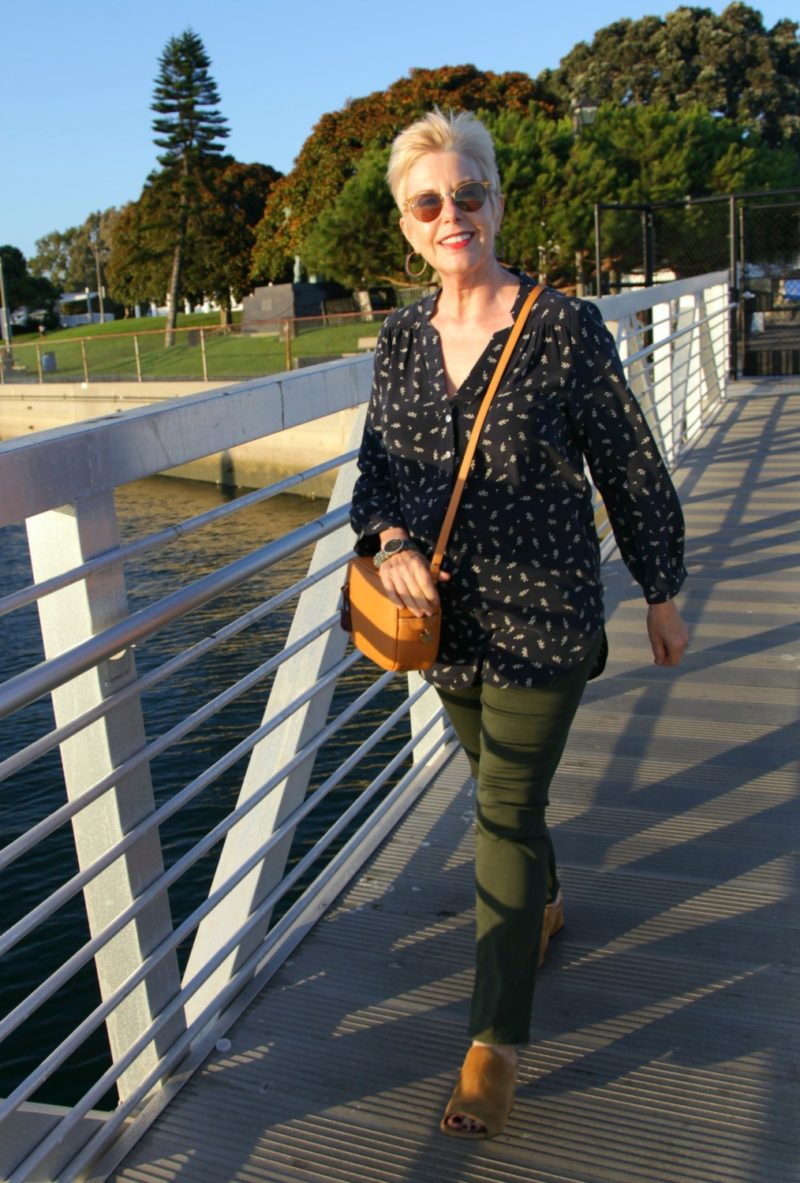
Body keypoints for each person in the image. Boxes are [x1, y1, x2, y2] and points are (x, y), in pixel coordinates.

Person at [349, 109, 689, 1139]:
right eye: (428, 203)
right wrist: (394, 532)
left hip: (543, 614)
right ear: (407, 227)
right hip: (439, 619)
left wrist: (659, 587)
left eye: (468, 195)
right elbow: (374, 472)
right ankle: (538, 903)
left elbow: (628, 462)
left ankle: (493, 1038)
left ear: (496, 201)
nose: (452, 215)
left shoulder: (561, 328)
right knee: (496, 788)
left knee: (501, 803)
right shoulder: (400, 340)